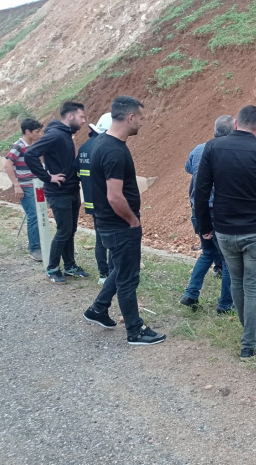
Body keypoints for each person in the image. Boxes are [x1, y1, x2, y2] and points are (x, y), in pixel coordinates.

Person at [194, 105, 256, 358]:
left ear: (236, 123)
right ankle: (249, 341)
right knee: (252, 286)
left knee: (237, 282)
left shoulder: (212, 148)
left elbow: (201, 192)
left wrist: (204, 227)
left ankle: (247, 332)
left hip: (225, 231)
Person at [83, 96, 166, 346]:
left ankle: (98, 309)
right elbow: (115, 196)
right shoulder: (114, 151)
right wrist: (132, 221)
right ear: (130, 117)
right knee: (128, 278)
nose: (142, 123)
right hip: (120, 225)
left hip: (107, 222)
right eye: (140, 118)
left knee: (121, 268)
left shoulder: (101, 143)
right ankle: (135, 330)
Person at [24, 101, 90, 283]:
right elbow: (31, 154)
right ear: (70, 116)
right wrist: (47, 177)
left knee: (71, 230)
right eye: (81, 116)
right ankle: (52, 268)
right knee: (64, 231)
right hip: (59, 192)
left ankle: (70, 266)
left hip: (71, 190)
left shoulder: (66, 135)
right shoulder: (55, 135)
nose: (83, 121)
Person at [180, 115, 235, 315]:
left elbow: (188, 168)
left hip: (199, 211)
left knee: (209, 253)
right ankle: (225, 305)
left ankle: (191, 294)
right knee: (229, 260)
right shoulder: (228, 152)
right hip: (218, 212)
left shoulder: (198, 149)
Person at [78, 113, 113, 284]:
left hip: (92, 202)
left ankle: (103, 274)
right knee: (112, 239)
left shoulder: (84, 147)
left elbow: (78, 173)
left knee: (100, 239)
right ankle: (113, 273)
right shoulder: (104, 147)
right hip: (107, 201)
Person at [4, 118, 44, 261]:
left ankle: (41, 244)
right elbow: (8, 165)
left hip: (36, 185)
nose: (40, 134)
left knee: (39, 215)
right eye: (37, 132)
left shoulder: (33, 146)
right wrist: (16, 185)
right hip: (25, 187)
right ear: (27, 131)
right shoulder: (18, 146)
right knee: (33, 216)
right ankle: (34, 248)